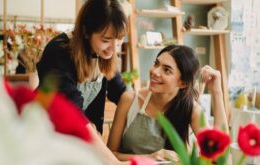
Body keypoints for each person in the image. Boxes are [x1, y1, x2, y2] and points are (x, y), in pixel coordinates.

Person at [37, 0, 129, 164]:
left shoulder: (104, 56)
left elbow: (123, 93)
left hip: (76, 143)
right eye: (106, 40)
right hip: (44, 135)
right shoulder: (59, 51)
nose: (114, 49)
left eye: (119, 39)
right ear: (86, 31)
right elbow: (72, 110)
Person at [107, 45, 229, 162]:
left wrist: (217, 92)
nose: (155, 71)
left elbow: (221, 158)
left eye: (166, 70)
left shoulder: (191, 110)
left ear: (183, 83)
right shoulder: (129, 100)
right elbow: (109, 155)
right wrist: (149, 158)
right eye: (156, 63)